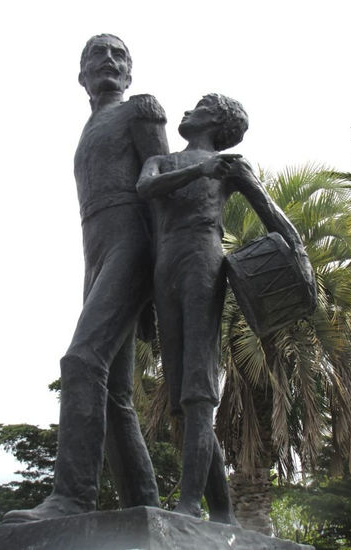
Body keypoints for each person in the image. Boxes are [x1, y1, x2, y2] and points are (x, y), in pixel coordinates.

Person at [3, 33, 169, 523]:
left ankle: (73, 497)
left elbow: (160, 190)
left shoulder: (140, 109)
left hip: (131, 243)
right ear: (81, 75)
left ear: (131, 72)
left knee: (81, 359)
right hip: (95, 250)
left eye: (119, 55)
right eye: (98, 54)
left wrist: (159, 282)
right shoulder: (89, 125)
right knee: (114, 390)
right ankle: (145, 505)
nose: (109, 61)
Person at [136, 93, 249, 521]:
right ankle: (222, 511)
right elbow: (144, 187)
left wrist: (295, 253)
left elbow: (270, 213)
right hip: (166, 268)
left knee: (199, 390)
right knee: (185, 397)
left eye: (200, 106)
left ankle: (189, 506)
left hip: (204, 260)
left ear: (215, 121)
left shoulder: (230, 167)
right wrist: (198, 169)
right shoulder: (163, 162)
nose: (187, 110)